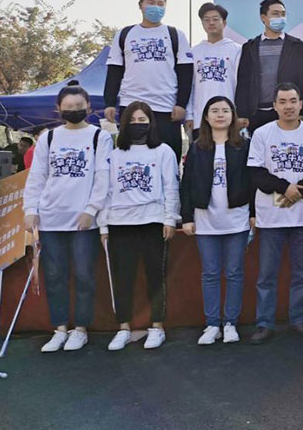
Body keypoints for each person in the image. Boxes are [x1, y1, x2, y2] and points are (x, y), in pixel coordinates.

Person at [22, 82, 113, 352]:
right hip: (51, 219)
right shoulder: (48, 138)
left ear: (89, 107)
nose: (74, 110)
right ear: (59, 109)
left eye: (78, 106)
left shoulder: (99, 137)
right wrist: (30, 210)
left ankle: (80, 329)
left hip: (83, 221)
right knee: (54, 275)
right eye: (68, 107)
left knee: (84, 275)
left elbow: (103, 177)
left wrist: (91, 209)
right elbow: (37, 177)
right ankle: (60, 328)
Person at [101, 101, 180, 350]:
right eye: (133, 121)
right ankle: (123, 327)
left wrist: (170, 219)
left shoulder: (164, 151)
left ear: (151, 123)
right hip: (119, 223)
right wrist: (103, 226)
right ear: (124, 124)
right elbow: (106, 192)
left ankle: (157, 326)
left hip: (153, 221)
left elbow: (171, 187)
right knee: (122, 277)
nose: (137, 124)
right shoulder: (114, 155)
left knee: (156, 276)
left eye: (142, 120)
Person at [247, 83, 303, 343]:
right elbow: (256, 173)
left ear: (301, 104)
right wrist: (284, 188)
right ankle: (264, 323)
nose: (288, 106)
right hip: (271, 216)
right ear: (275, 105)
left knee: (302, 272)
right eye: (282, 101)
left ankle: (298, 319)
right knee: (267, 274)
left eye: (293, 101)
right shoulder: (262, 134)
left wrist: (297, 192)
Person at [180, 96, 254, 346]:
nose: (220, 115)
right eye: (214, 111)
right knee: (210, 274)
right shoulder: (197, 147)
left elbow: (252, 182)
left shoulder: (243, 146)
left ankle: (230, 322)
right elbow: (186, 184)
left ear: (233, 115)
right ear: (206, 116)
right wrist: (187, 217)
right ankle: (212, 324)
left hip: (237, 220)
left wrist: (253, 214)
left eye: (225, 110)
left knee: (234, 273)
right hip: (205, 220)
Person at [104, 0, 193, 161]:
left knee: (168, 159)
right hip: (131, 106)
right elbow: (114, 71)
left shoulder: (176, 35)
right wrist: (110, 103)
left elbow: (185, 73)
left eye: (161, 4)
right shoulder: (125, 34)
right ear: (140, 5)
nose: (156, 8)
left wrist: (181, 104)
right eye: (151, 3)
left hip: (166, 108)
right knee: (131, 158)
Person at [235, 0, 303, 134]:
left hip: (286, 111)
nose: (280, 18)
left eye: (283, 14)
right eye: (275, 14)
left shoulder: (295, 45)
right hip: (256, 113)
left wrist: (302, 112)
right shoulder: (250, 47)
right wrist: (241, 113)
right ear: (263, 18)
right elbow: (243, 81)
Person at [185, 3, 241, 138]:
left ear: (224, 23)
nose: (211, 23)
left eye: (215, 19)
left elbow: (241, 85)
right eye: (206, 19)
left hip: (229, 118)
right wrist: (189, 115)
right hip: (201, 119)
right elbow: (190, 86)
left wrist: (240, 114)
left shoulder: (237, 50)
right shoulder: (194, 52)